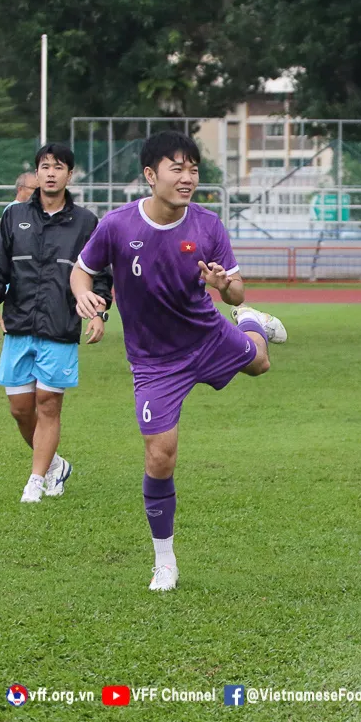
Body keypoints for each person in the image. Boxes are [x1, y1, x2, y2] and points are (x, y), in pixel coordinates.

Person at [70, 130, 287, 593]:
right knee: (160, 455)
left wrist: (226, 290)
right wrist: (84, 295)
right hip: (154, 362)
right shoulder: (117, 225)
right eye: (178, 168)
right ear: (151, 175)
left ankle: (251, 323)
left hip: (207, 336)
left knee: (261, 364)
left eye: (193, 168)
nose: (188, 177)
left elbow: (236, 285)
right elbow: (81, 271)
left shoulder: (208, 225)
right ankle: (164, 560)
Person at [0, 144, 113, 503]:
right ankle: (57, 464)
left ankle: (36, 479)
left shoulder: (86, 222)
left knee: (48, 403)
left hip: (60, 327)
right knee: (19, 409)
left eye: (58, 167)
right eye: (45, 166)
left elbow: (100, 275)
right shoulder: (14, 216)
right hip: (18, 323)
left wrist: (99, 313)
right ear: (37, 171)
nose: (50, 173)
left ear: (69, 175)